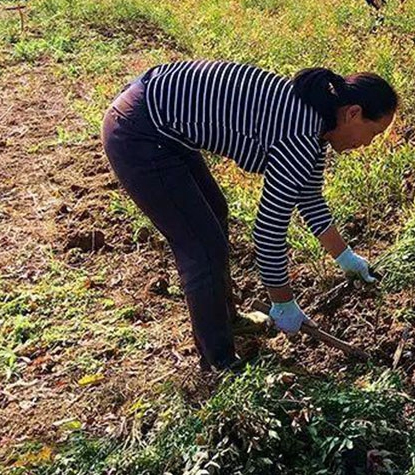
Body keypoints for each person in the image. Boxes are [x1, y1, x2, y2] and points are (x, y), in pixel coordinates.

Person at [101, 61, 398, 371]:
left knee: (214, 214)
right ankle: (220, 363)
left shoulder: (315, 127)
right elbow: (269, 229)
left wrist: (346, 258)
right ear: (352, 113)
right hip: (139, 132)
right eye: (372, 133)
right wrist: (282, 302)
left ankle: (228, 320)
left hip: (160, 123)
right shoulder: (298, 136)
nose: (366, 144)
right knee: (202, 247)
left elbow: (309, 199)